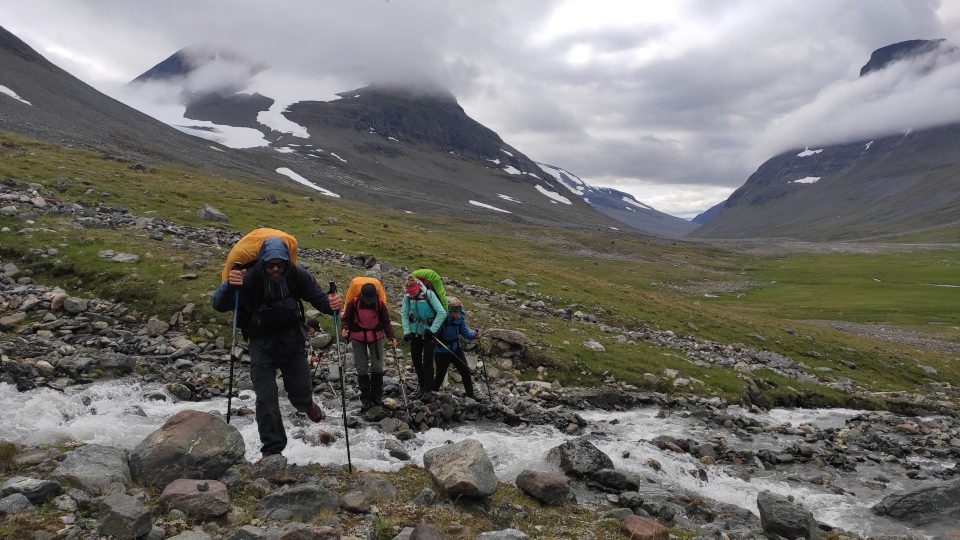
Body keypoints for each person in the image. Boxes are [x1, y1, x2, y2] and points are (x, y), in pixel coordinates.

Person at [212, 237, 343, 462]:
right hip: (261, 344)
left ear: (286, 263)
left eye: (280, 265)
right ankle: (272, 450)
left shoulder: (297, 275)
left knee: (300, 392)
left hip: (292, 342)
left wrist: (332, 304)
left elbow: (320, 301)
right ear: (261, 261)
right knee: (266, 396)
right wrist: (229, 285)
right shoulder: (249, 277)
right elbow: (219, 304)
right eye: (270, 265)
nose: (275, 269)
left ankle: (306, 404)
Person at [341, 283, 397, 411]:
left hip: (376, 336)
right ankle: (366, 399)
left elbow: (386, 321)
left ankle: (377, 398)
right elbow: (346, 319)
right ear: (362, 295)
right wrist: (345, 329)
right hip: (357, 336)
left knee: (377, 367)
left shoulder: (380, 303)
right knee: (362, 369)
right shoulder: (353, 303)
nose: (369, 301)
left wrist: (391, 336)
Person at [400, 275, 446, 397]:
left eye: (414, 292)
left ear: (418, 287)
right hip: (416, 330)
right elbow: (404, 314)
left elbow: (442, 312)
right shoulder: (407, 297)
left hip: (429, 331)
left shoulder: (429, 294)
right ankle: (421, 385)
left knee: (427, 361)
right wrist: (406, 331)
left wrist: (432, 329)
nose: (412, 295)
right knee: (415, 359)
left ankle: (427, 390)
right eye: (410, 293)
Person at [431, 296, 480, 399]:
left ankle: (470, 395)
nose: (458, 316)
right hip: (441, 351)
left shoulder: (460, 318)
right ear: (449, 311)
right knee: (440, 375)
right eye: (455, 313)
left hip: (456, 349)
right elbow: (433, 333)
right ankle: (431, 393)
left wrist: (474, 335)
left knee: (465, 371)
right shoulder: (441, 318)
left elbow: (465, 332)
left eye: (459, 312)